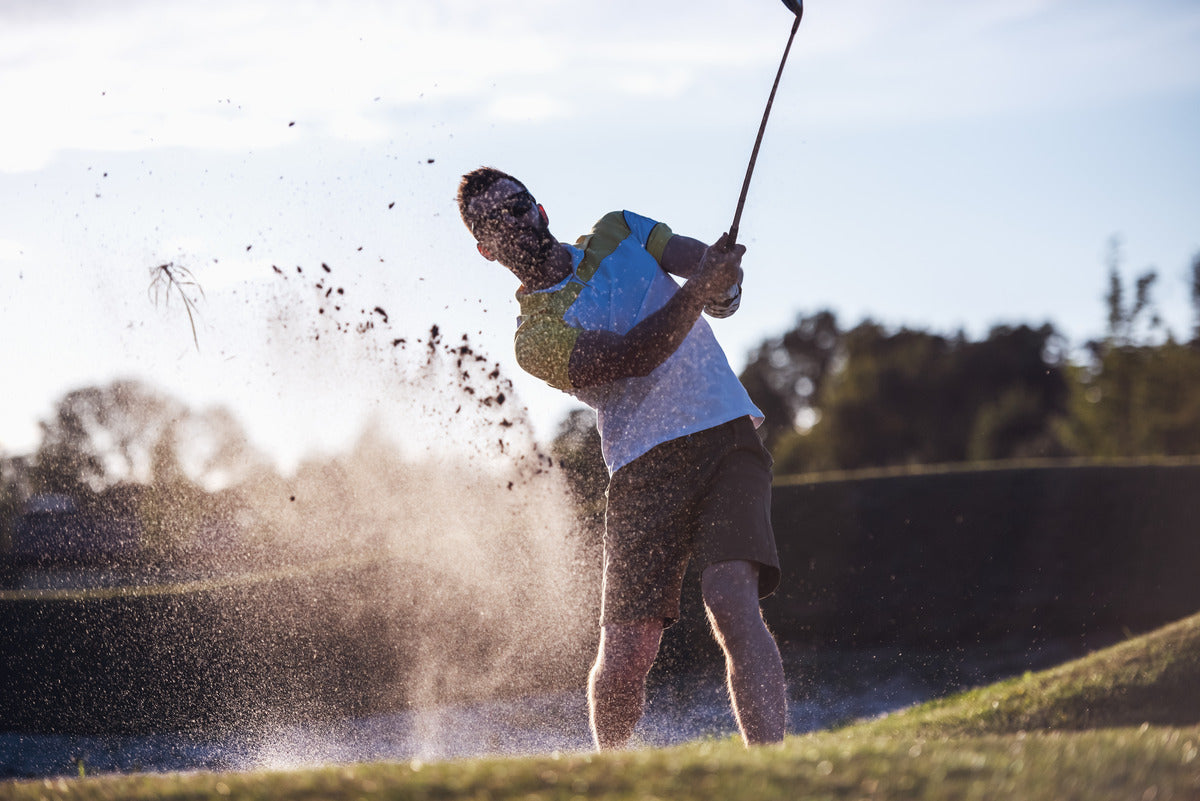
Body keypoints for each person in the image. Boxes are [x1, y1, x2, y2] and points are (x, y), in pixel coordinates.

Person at [457, 167, 786, 749]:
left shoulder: (622, 229)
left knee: (730, 598)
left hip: (723, 435)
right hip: (638, 470)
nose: (514, 219)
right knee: (625, 659)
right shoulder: (534, 337)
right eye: (495, 219)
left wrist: (723, 283)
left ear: (541, 209)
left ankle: (772, 772)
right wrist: (700, 288)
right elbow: (636, 355)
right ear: (485, 250)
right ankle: (609, 774)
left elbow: (710, 273)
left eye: (518, 204)